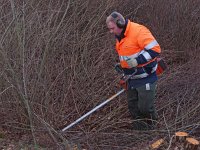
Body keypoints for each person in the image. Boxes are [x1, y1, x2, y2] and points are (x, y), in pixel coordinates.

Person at [106, 11, 161, 130]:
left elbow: (155, 49)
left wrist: (138, 61)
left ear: (120, 24)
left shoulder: (139, 31)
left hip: (146, 76)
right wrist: (122, 66)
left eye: (112, 28)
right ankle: (140, 131)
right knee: (133, 107)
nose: (111, 32)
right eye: (109, 29)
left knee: (145, 108)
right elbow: (127, 55)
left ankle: (152, 130)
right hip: (131, 78)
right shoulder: (120, 36)